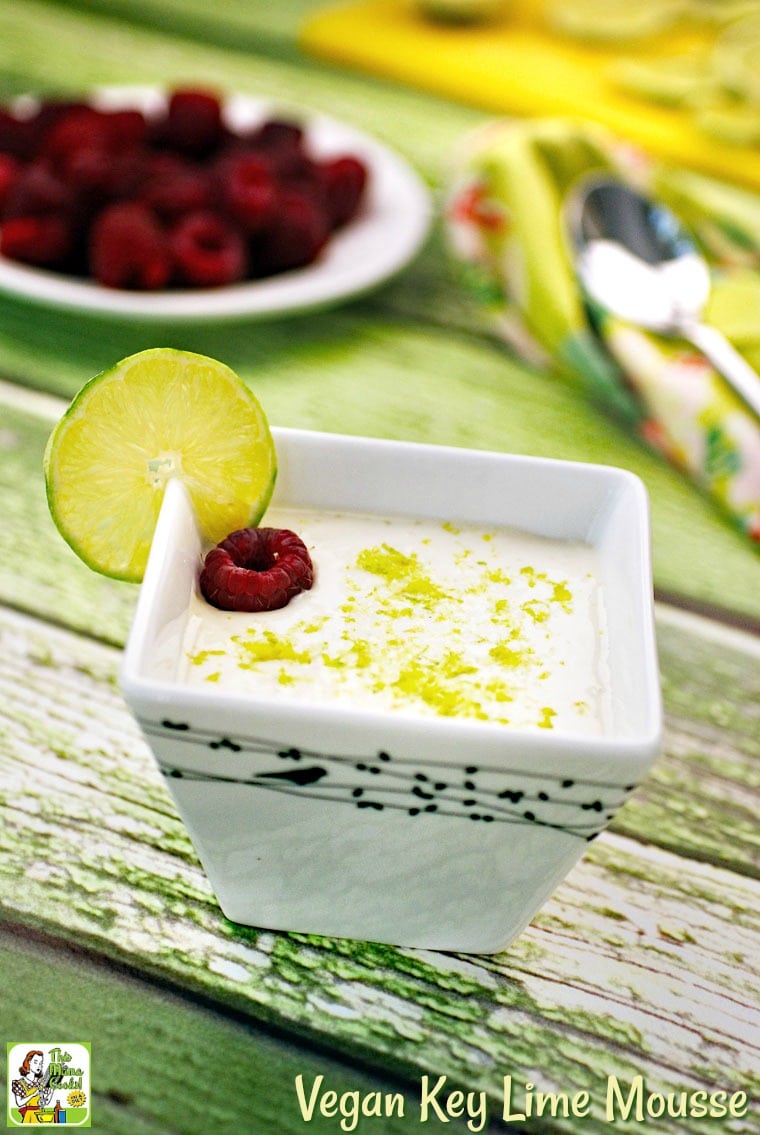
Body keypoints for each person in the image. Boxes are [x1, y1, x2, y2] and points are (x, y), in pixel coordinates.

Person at [11, 1051, 52, 1124]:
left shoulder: (41, 1082)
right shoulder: (19, 1084)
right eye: (36, 1062)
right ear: (29, 1062)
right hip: (29, 1116)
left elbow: (45, 1102)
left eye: (41, 1063)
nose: (39, 1066)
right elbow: (19, 1103)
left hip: (40, 1116)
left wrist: (51, 1091)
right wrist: (33, 1095)